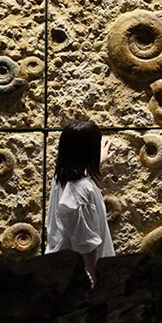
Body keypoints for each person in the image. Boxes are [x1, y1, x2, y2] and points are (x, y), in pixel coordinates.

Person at [45, 121, 115, 288]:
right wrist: (96, 281)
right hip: (79, 279)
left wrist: (96, 162)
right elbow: (86, 245)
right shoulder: (81, 191)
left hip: (60, 267)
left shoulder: (61, 177)